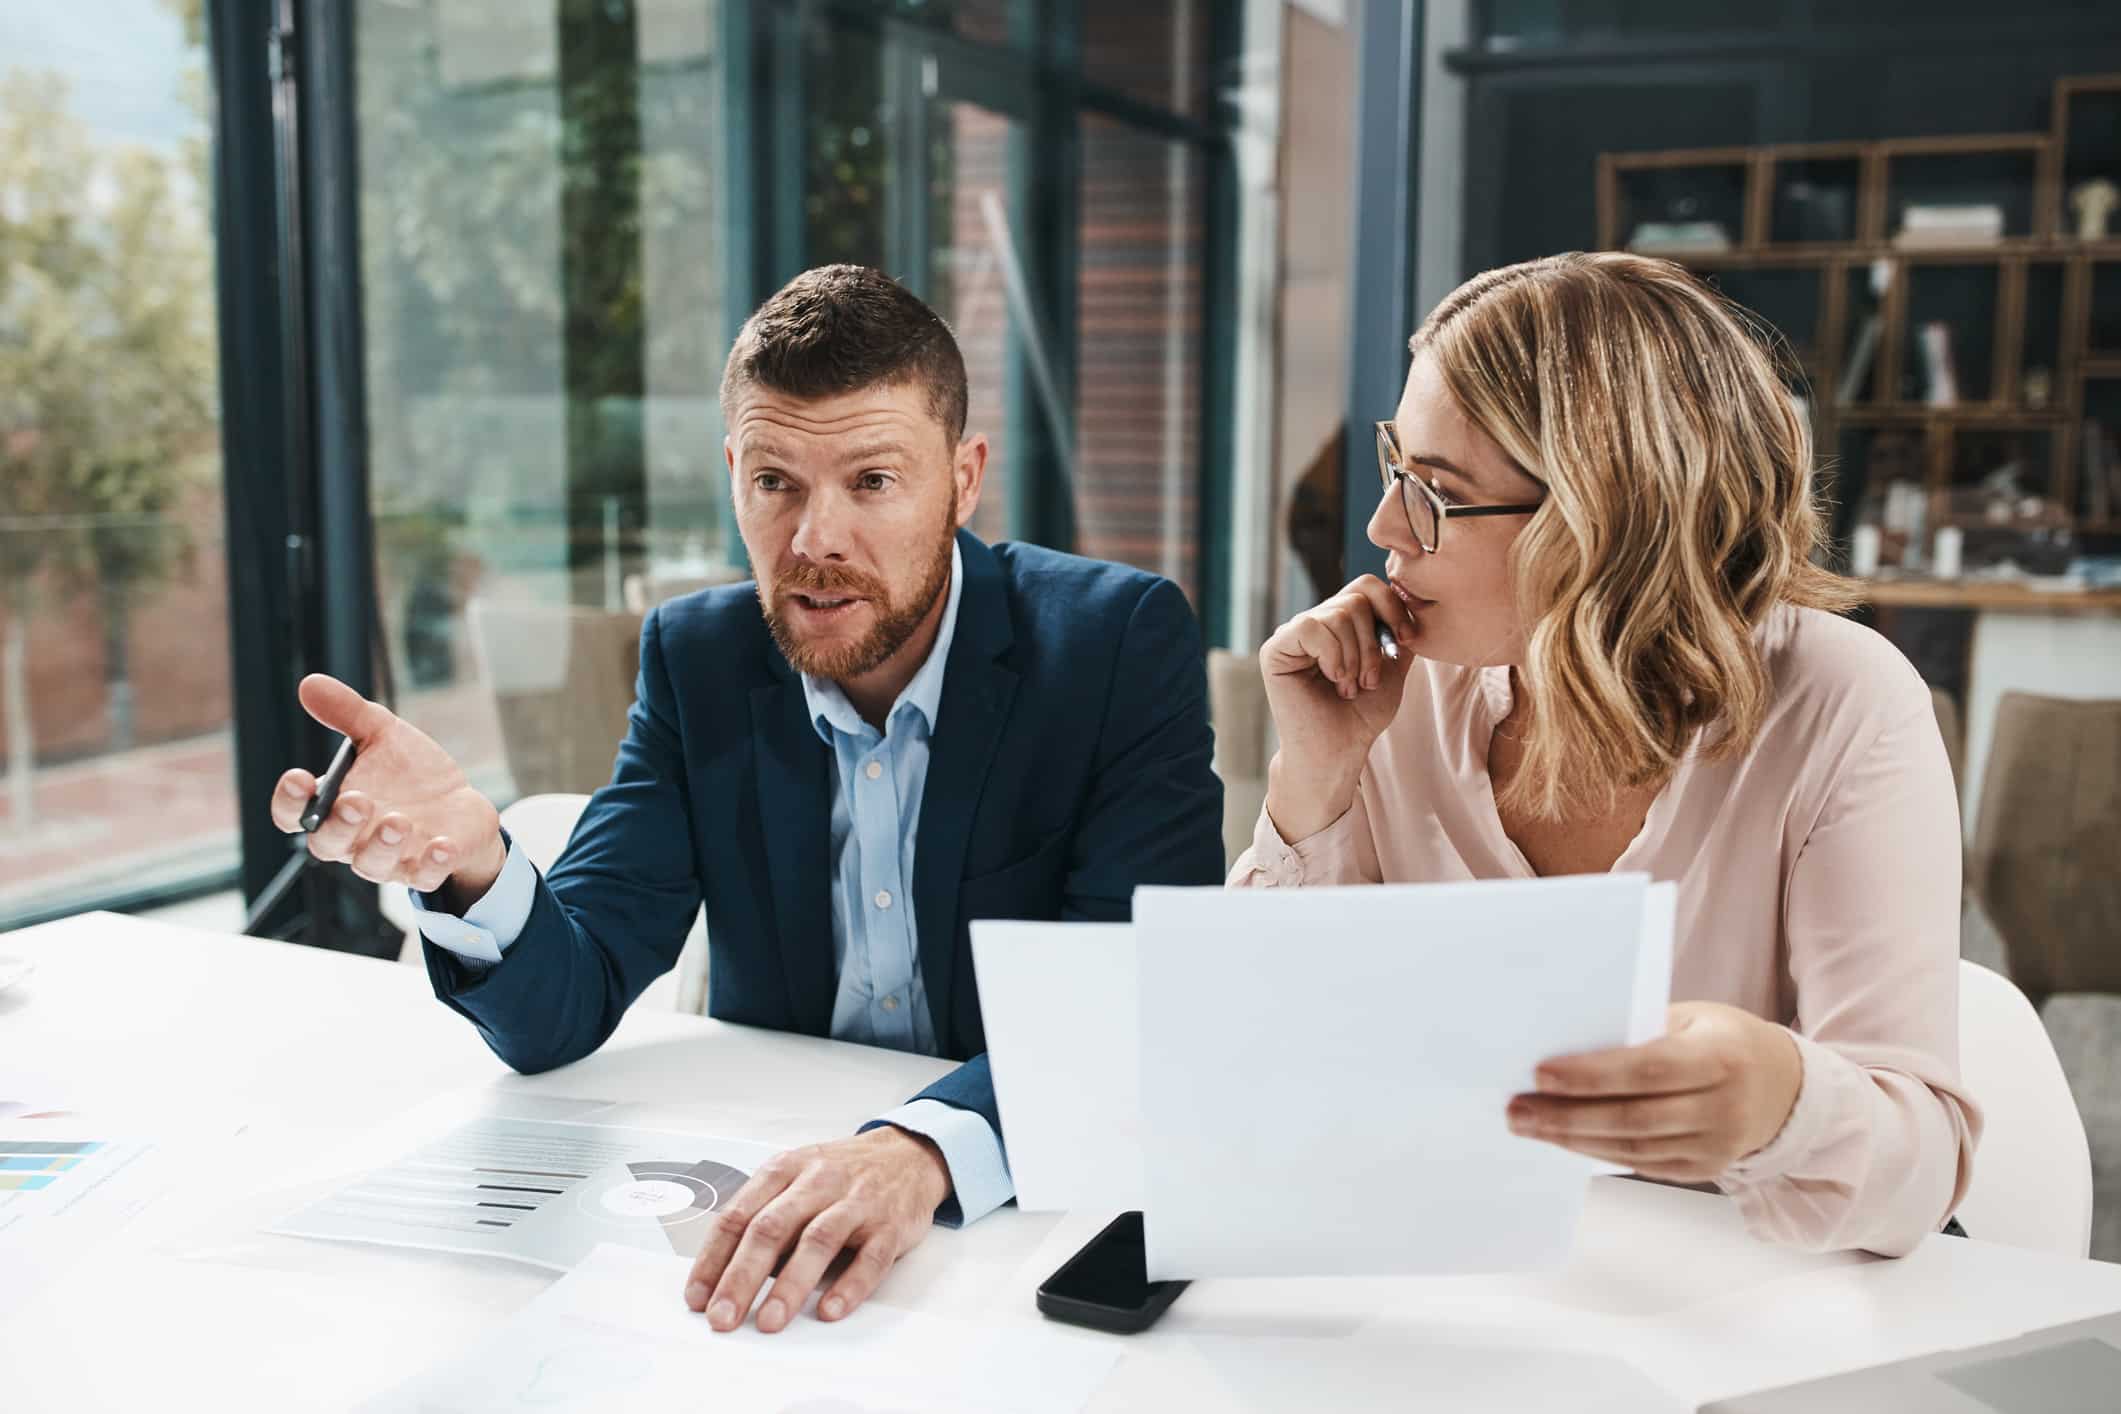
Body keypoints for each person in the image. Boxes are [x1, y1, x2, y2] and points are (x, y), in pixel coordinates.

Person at [271, 264, 1224, 1328]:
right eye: (777, 482)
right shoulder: (700, 658)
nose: (815, 539)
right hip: (764, 1216)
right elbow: (562, 1008)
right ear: (733, 472)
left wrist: (919, 1149)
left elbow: (1132, 999)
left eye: (872, 481)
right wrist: (472, 865)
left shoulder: (1113, 645)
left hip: (1017, 1226)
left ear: (964, 479)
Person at [1232, 251, 1979, 1258]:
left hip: (1756, 1300)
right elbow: (1254, 1061)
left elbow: (1919, 1168)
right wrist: (1312, 781)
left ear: (1602, 522)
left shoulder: (1842, 701)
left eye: (1435, 492)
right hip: (1477, 1278)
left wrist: (1782, 1100)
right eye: (1395, 471)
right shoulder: (1397, 694)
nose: (1381, 529)